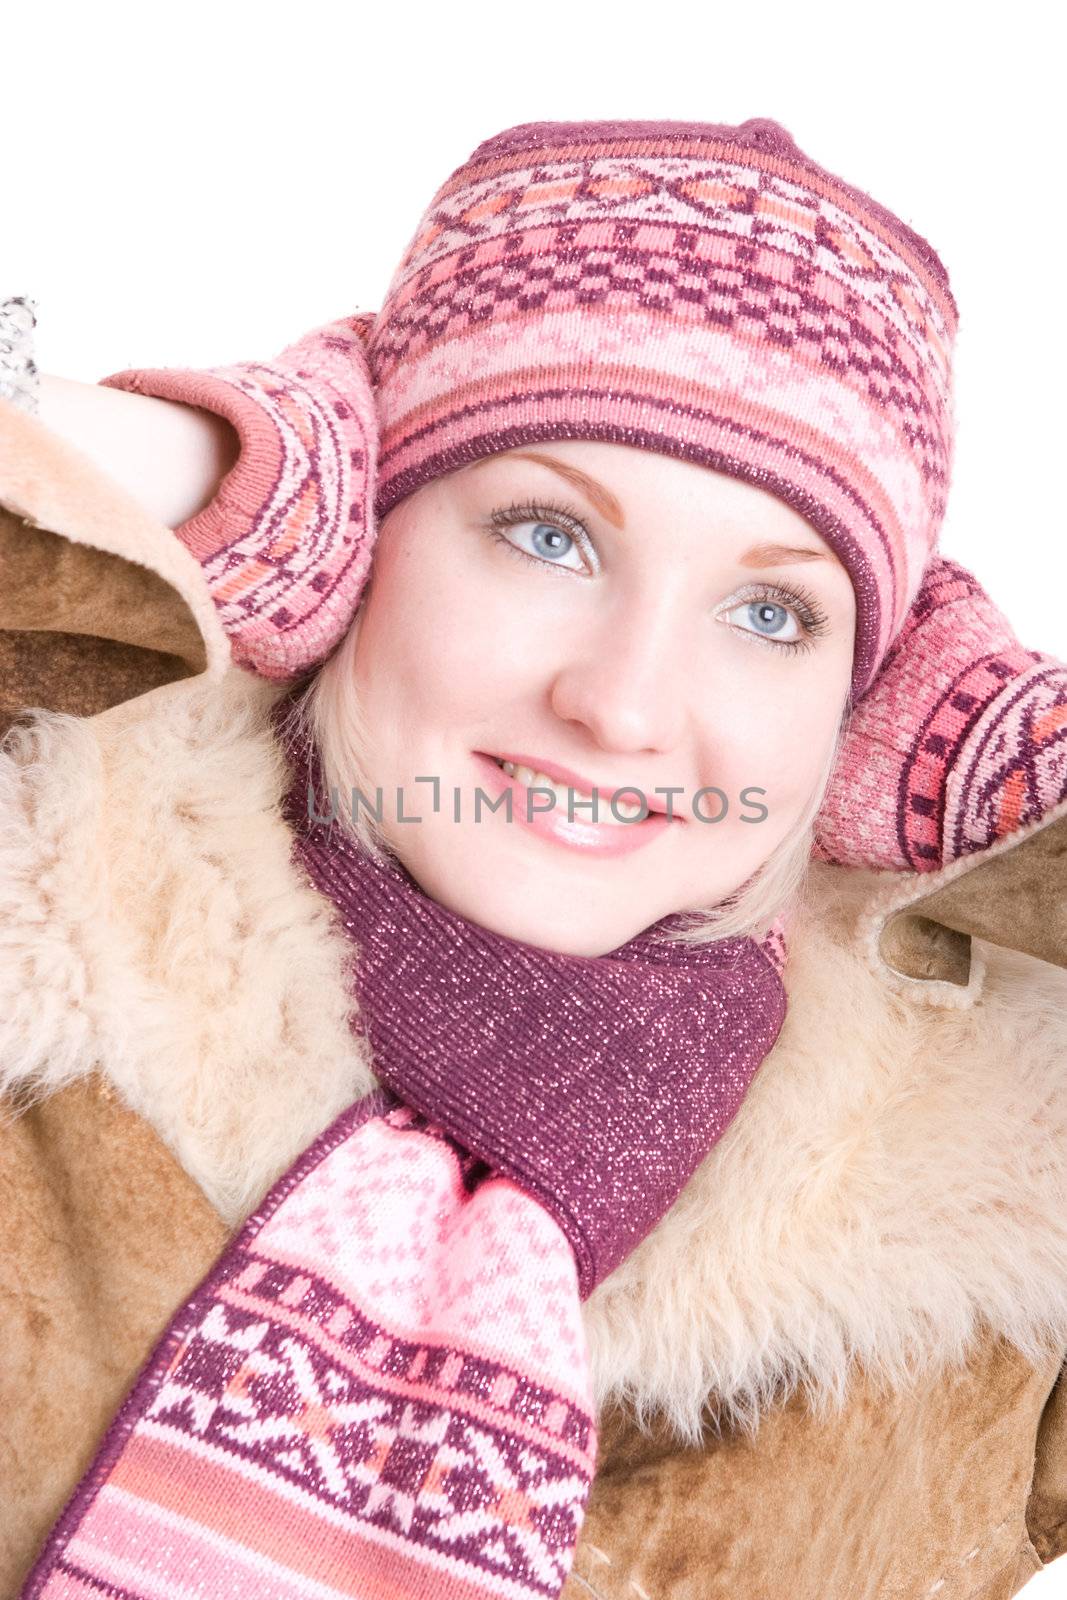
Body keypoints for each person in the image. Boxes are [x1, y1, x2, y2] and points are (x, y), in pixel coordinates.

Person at [10, 116, 1067, 1596]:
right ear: (357, 536)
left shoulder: (987, 1272)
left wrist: (1019, 785)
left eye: (774, 616)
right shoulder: (42, 923)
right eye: (546, 536)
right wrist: (211, 471)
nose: (623, 705)